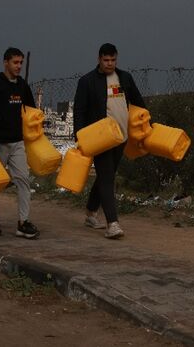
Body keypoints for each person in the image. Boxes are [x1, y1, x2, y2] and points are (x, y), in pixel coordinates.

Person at [73, 43, 145, 239]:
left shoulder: (125, 78)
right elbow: (79, 111)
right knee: (107, 178)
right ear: (99, 59)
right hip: (100, 139)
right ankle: (112, 223)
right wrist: (79, 136)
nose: (110, 64)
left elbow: (138, 102)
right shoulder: (87, 81)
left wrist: (145, 126)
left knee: (106, 175)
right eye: (106, 60)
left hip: (121, 137)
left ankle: (90, 212)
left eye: (113, 60)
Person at [0, 47, 40, 239]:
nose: (19, 66)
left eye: (21, 63)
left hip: (17, 143)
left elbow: (31, 111)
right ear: (5, 62)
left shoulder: (22, 85)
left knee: (23, 180)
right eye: (15, 62)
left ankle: (23, 222)